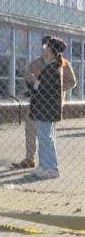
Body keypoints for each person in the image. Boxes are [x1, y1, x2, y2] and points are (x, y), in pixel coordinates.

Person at [11, 35, 76, 172]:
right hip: (36, 101)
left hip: (51, 103)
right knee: (32, 130)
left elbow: (71, 82)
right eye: (43, 45)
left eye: (46, 46)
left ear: (52, 49)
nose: (44, 48)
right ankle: (32, 159)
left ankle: (48, 165)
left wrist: (57, 89)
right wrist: (32, 83)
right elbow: (29, 81)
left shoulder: (61, 64)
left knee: (46, 135)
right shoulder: (36, 63)